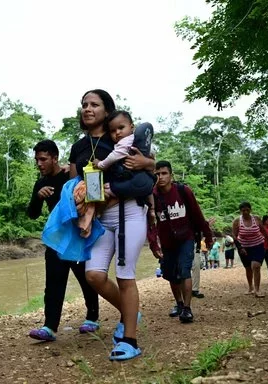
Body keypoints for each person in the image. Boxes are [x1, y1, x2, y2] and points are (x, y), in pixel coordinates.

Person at [69, 89, 155, 361]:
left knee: (124, 275)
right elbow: (74, 184)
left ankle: (130, 339)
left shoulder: (121, 138)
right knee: (93, 275)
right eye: (84, 104)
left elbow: (146, 178)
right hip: (100, 220)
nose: (87, 108)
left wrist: (148, 164)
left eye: (94, 104)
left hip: (128, 214)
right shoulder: (79, 147)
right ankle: (130, 312)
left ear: (107, 111)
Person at [26, 140, 100, 341]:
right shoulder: (40, 183)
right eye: (37, 160)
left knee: (86, 279)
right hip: (57, 240)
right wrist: (38, 198)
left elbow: (91, 187)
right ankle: (49, 327)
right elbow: (32, 214)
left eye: (43, 159)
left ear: (54, 158)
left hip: (77, 236)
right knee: (53, 283)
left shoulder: (70, 175)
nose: (39, 164)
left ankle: (92, 318)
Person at [149, 161, 213, 324]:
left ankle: (187, 308)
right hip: (167, 241)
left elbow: (197, 215)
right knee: (170, 273)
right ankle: (178, 303)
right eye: (157, 174)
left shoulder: (183, 191)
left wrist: (208, 235)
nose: (160, 177)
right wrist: (153, 244)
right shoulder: (152, 195)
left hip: (186, 238)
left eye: (164, 173)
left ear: (171, 175)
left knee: (184, 270)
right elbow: (150, 223)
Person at [232, 202, 268, 297]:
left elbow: (263, 231)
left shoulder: (256, 219)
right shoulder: (237, 221)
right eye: (243, 210)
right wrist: (240, 248)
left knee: (256, 266)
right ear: (240, 211)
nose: (245, 212)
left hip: (258, 245)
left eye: (247, 210)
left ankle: (257, 289)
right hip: (244, 247)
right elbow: (234, 236)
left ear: (250, 210)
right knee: (248, 268)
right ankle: (250, 287)